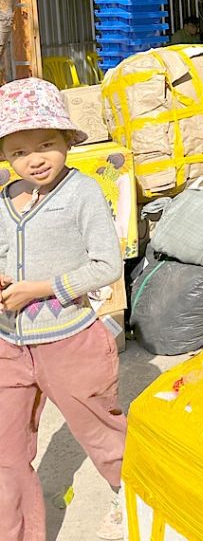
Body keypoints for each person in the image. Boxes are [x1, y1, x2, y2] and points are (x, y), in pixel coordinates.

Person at [0, 78, 125, 541]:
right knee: (7, 455)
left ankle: (136, 501)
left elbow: (107, 265)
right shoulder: (3, 200)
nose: (34, 159)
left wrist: (38, 289)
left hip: (72, 343)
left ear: (68, 142)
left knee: (102, 435)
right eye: (18, 151)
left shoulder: (82, 193)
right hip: (8, 349)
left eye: (46, 144)